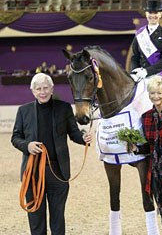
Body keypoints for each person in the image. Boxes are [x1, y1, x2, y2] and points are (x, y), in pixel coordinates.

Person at [11, 73, 92, 235]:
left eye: (46, 88)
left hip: (58, 172)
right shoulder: (23, 111)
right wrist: (27, 145)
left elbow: (74, 133)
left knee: (57, 217)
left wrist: (83, 138)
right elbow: (15, 137)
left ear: (52, 89)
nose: (42, 92)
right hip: (32, 173)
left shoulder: (64, 108)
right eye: (38, 89)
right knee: (35, 217)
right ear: (33, 91)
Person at [130, 76, 162, 234]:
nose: (156, 96)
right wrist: (136, 148)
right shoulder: (145, 117)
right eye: (152, 93)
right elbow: (148, 147)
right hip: (156, 172)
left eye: (159, 93)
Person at [130, 0, 162, 93]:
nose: (153, 15)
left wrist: (147, 71)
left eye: (156, 13)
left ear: (160, 14)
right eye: (150, 12)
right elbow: (135, 57)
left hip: (160, 74)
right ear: (146, 14)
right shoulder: (140, 34)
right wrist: (134, 71)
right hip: (141, 75)